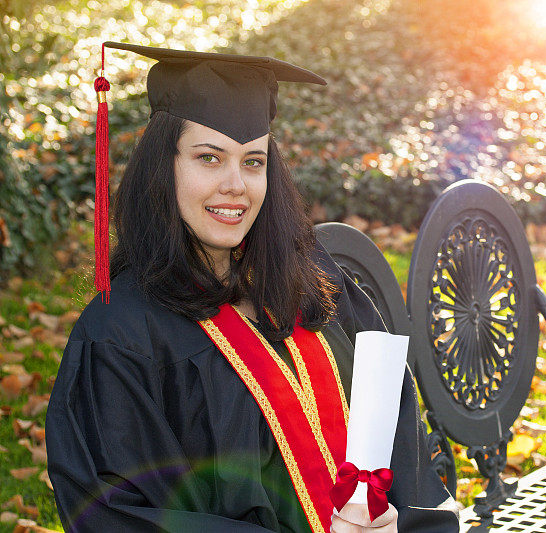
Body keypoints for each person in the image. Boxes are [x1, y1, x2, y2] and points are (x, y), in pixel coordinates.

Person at [45, 42, 459, 533]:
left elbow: (397, 429)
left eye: (253, 162)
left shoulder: (309, 277)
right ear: (164, 166)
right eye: (209, 158)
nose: (236, 186)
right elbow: (118, 514)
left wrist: (394, 522)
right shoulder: (121, 334)